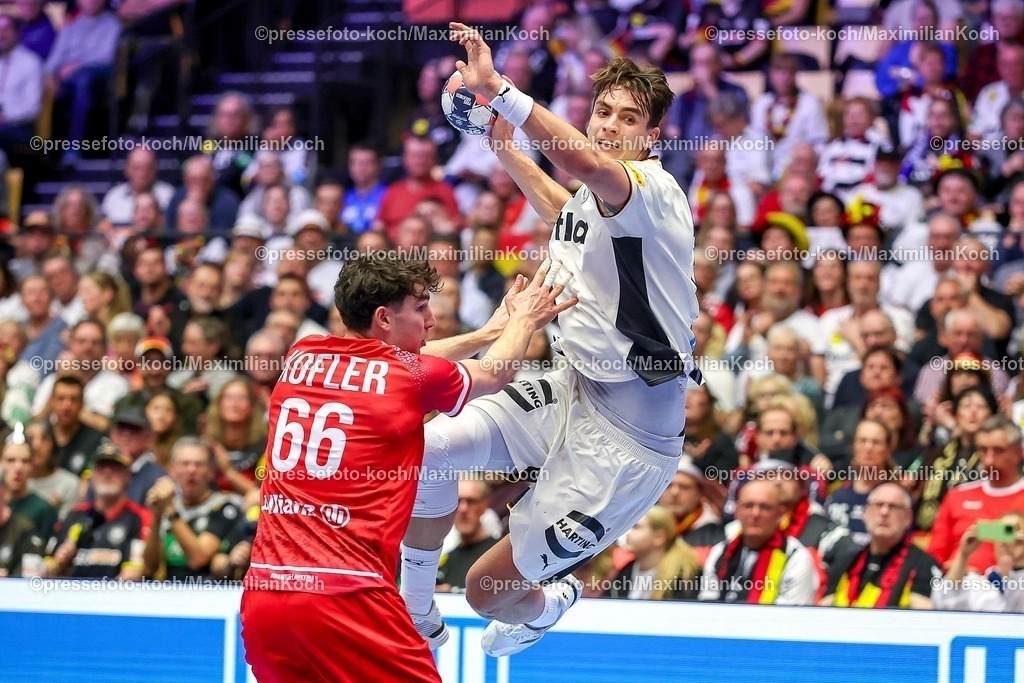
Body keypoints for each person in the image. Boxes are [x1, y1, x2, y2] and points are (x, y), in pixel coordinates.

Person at [401, 28, 703, 658]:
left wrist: (499, 92)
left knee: (488, 594)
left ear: (652, 138)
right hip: (573, 389)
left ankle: (552, 602)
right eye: (602, 111)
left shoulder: (651, 187)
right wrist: (503, 146)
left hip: (628, 446)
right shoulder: (597, 201)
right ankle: (416, 608)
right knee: (424, 445)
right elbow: (562, 203)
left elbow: (585, 166)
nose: (610, 125)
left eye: (629, 118)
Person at [240, 255, 575, 683]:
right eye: (420, 309)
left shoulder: (303, 355)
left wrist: (489, 331)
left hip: (266, 595)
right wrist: (523, 321)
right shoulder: (406, 377)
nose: (432, 321)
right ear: (383, 317)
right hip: (347, 595)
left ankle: (418, 609)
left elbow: (401, 360)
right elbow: (494, 373)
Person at [820, 483, 941, 609]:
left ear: (908, 517)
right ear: (864, 513)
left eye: (893, 507)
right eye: (878, 505)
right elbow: (825, 608)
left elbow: (925, 619)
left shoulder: (923, 565)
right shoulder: (847, 561)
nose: (884, 512)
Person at [697, 480, 818, 605]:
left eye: (765, 507)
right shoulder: (720, 552)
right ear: (737, 510)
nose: (755, 514)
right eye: (748, 505)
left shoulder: (796, 558)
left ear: (780, 513)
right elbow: (708, 604)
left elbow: (790, 619)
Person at [143, 438, 240, 581]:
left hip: (207, 593)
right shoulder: (167, 504)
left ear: (211, 472)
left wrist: (170, 510)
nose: (191, 470)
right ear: (172, 470)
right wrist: (157, 518)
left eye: (199, 464)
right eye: (184, 464)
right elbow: (150, 568)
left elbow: (198, 559)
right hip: (169, 591)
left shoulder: (224, 509)